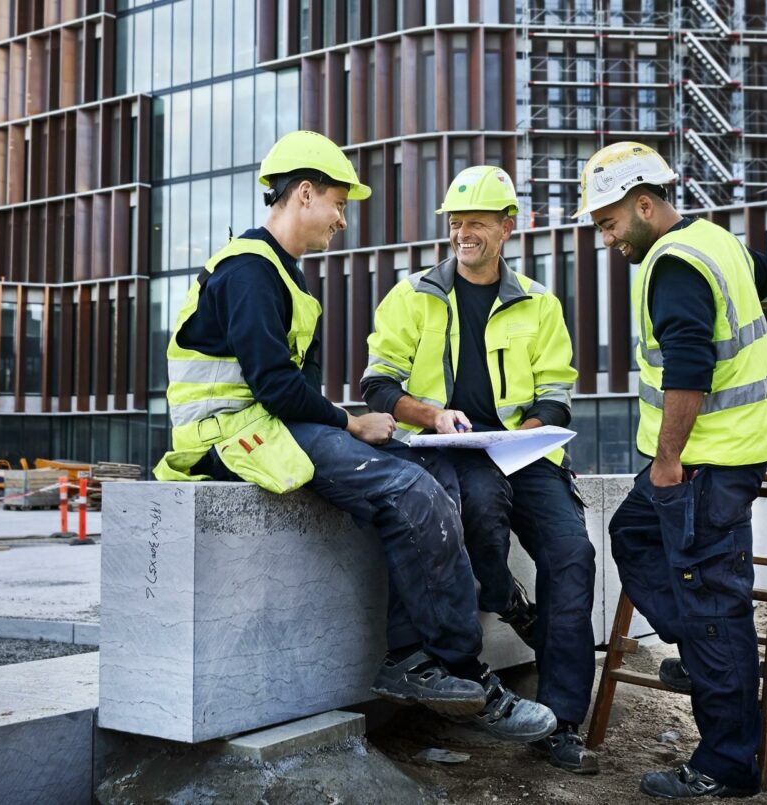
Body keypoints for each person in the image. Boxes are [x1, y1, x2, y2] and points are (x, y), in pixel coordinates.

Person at [152, 131, 554, 744]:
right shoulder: (249, 270)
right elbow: (275, 386)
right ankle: (460, 672)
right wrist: (353, 422)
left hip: (268, 424)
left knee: (432, 478)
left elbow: (291, 391)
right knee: (411, 491)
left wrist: (359, 427)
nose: (342, 219)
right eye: (339, 204)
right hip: (228, 436)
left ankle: (413, 657)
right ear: (305, 193)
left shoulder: (284, 275)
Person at [362, 165, 598, 773]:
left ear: (507, 228)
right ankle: (500, 594)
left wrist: (517, 436)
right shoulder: (412, 295)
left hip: (526, 456)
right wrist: (432, 414)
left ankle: (562, 721)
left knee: (573, 557)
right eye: (456, 222)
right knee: (481, 506)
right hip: (447, 453)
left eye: (478, 223)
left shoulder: (539, 304)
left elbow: (555, 392)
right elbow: (378, 384)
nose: (464, 233)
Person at [572, 142, 767, 798]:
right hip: (725, 450)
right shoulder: (713, 240)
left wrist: (667, 461)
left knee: (714, 605)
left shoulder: (674, 265)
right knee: (633, 533)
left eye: (608, 223)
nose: (605, 238)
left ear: (643, 204)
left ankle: (725, 763)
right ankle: (699, 653)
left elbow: (691, 366)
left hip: (703, 463)